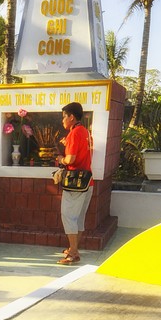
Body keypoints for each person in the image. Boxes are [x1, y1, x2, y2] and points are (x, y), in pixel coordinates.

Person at [54, 101, 93, 265]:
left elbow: (71, 159)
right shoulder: (85, 131)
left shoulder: (74, 133)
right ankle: (73, 248)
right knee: (79, 218)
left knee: (68, 216)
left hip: (75, 183)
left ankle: (73, 253)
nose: (62, 120)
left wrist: (60, 159)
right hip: (87, 182)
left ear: (71, 117)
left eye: (64, 117)